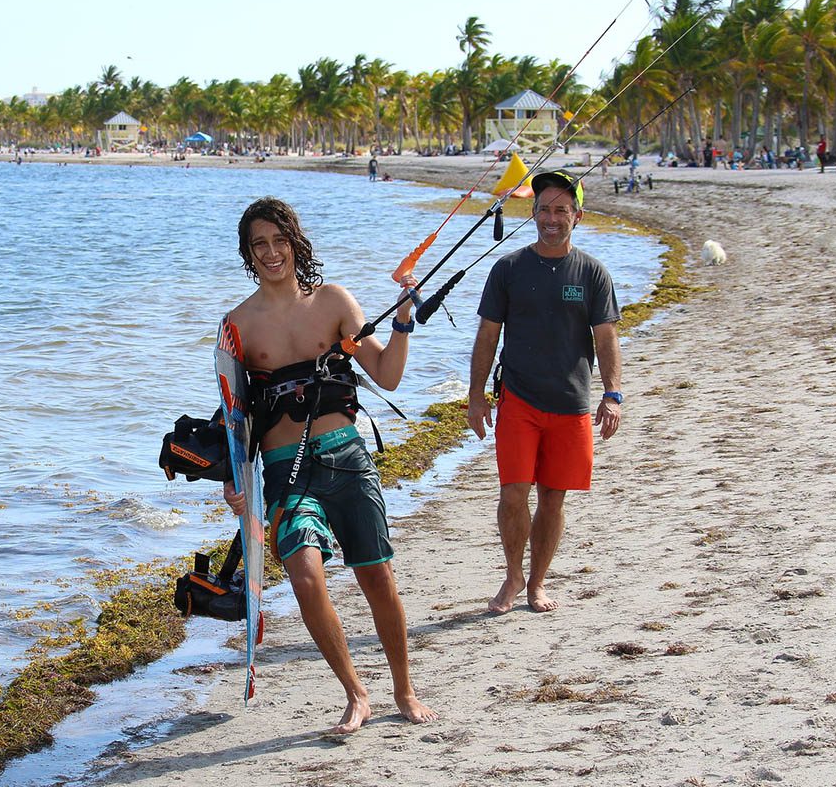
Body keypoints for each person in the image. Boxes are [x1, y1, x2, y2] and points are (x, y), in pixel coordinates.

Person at [222, 197, 437, 734]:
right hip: (285, 472)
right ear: (249, 255)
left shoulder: (335, 301)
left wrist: (404, 319)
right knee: (304, 577)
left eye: (279, 241)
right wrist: (233, 480)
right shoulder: (237, 326)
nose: (272, 253)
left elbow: (386, 374)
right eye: (259, 245)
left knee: (377, 578)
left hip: (346, 459)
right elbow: (234, 416)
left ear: (295, 242)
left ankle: (404, 688)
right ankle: (355, 693)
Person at [465, 170, 622, 615]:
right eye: (545, 210)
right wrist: (476, 396)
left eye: (561, 210)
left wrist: (613, 394)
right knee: (513, 494)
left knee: (553, 498)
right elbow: (487, 335)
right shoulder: (509, 269)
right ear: (532, 214)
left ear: (577, 216)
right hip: (518, 400)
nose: (552, 218)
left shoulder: (592, 273)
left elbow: (606, 338)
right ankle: (513, 576)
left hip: (571, 405)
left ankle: (537, 583)